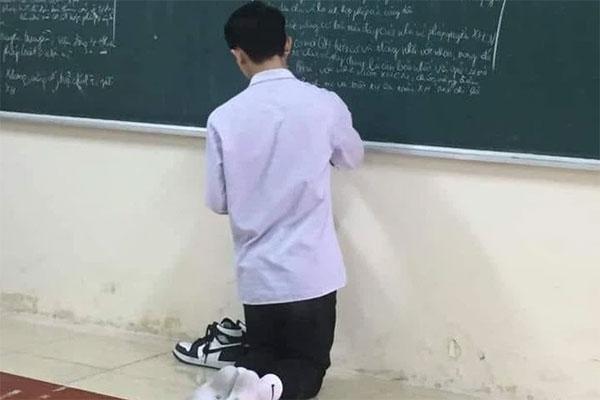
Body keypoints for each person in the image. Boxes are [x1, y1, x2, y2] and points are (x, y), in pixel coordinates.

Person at [179, 2, 363, 399]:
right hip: (311, 271)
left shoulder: (223, 118)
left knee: (262, 354)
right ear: (287, 44)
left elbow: (218, 200)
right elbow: (352, 158)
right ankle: (268, 390)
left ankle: (233, 383)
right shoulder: (324, 104)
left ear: (238, 55)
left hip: (258, 274)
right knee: (308, 366)